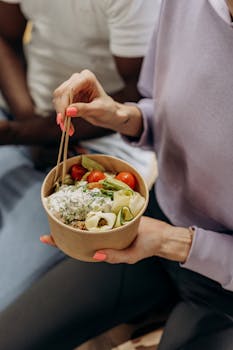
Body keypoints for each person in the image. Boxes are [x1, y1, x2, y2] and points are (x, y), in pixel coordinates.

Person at [0, 1, 232, 350]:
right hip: (150, 220)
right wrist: (122, 116)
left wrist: (177, 243)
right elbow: (162, 105)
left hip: (218, 286)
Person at [0, 0, 161, 331]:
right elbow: (4, 36)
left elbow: (139, 93)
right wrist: (29, 125)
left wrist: (28, 133)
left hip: (103, 143)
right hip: (25, 112)